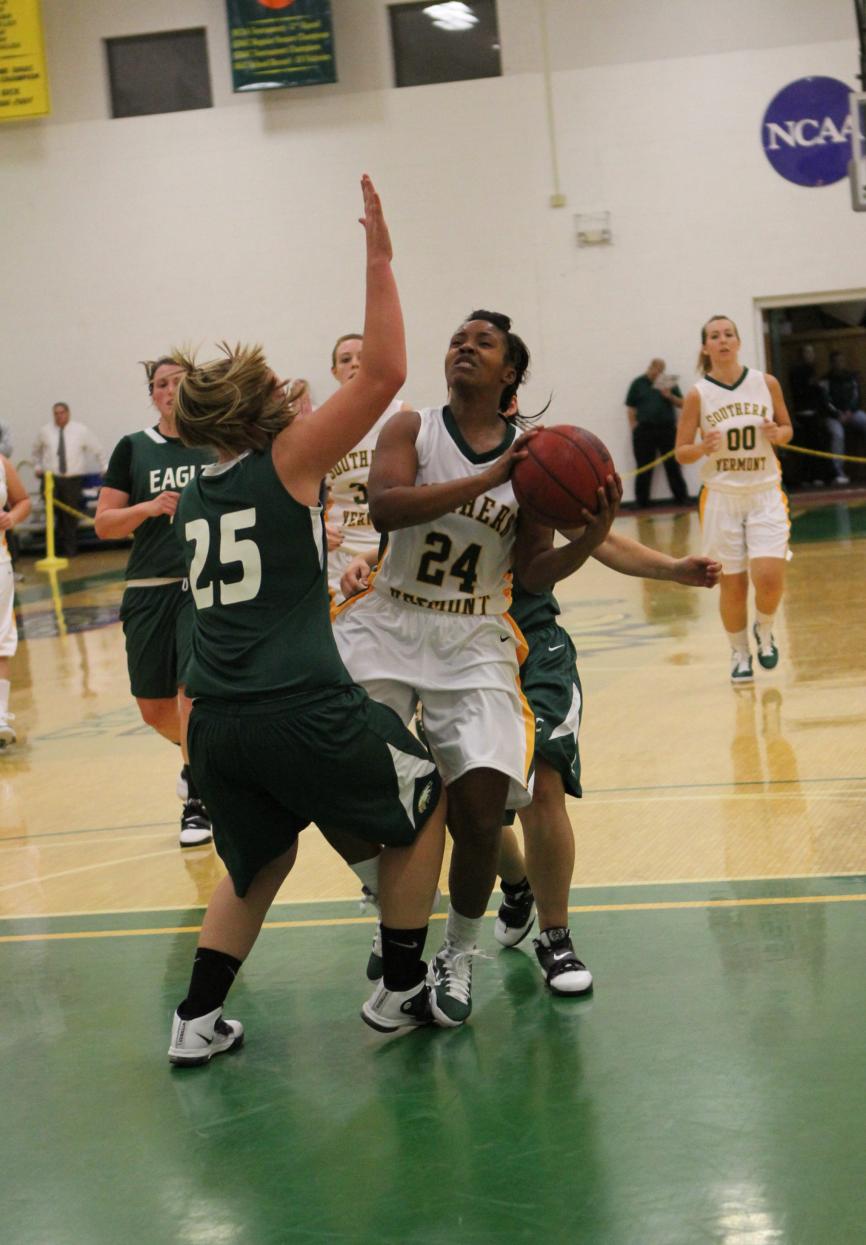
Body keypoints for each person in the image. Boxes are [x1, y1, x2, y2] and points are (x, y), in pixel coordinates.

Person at [164, 175, 449, 1064]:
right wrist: (378, 254)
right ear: (260, 416)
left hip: (214, 724)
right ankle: (402, 983)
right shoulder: (285, 462)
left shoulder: (189, 500)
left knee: (255, 864)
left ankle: (195, 1021)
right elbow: (388, 370)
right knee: (427, 796)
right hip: (299, 707)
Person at [331, 310, 619, 1025]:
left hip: (475, 632)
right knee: (344, 771)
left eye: (482, 342)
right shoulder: (411, 428)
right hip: (391, 618)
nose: (463, 345)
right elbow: (389, 508)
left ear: (509, 372)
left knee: (483, 804)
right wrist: (491, 476)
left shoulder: (536, 455)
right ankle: (388, 895)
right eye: (457, 337)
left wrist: (594, 536)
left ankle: (456, 950)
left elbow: (535, 572)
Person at [493, 532, 721, 994]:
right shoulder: (428, 467)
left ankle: (555, 937)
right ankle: (518, 885)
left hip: (534, 646)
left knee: (542, 785)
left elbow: (600, 538)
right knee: (473, 806)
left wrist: (673, 568)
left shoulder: (529, 462)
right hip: (455, 649)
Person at [95, 360, 216, 848]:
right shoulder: (134, 447)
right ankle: (200, 763)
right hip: (148, 587)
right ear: (153, 394)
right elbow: (104, 524)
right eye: (162, 384)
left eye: (180, 382)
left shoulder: (216, 441)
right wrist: (148, 507)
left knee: (192, 693)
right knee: (153, 707)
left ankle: (199, 802)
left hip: (201, 584)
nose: (171, 390)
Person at [675, 314, 792, 685]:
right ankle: (739, 652)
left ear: (738, 342)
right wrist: (701, 447)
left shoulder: (765, 383)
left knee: (769, 577)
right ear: (705, 347)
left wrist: (778, 433)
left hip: (764, 492)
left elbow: (787, 430)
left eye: (728, 334)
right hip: (722, 497)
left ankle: (765, 629)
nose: (722, 340)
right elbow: (681, 452)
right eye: (714, 335)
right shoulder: (698, 393)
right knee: (734, 584)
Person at [324, 333, 412, 602]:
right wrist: (311, 525)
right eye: (346, 359)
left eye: (363, 358)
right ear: (335, 371)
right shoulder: (323, 422)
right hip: (341, 553)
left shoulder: (402, 414)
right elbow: (301, 491)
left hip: (391, 548)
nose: (354, 364)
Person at [32, 403, 106, 556]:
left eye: (62, 413)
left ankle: (70, 551)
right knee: (54, 514)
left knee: (70, 516)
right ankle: (55, 551)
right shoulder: (45, 431)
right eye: (56, 413)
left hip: (72, 479)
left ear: (68, 413)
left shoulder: (80, 430)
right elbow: (35, 451)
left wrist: (104, 467)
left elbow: (97, 448)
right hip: (51, 479)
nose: (59, 416)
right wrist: (37, 467)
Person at [625, 359, 689, 508]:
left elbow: (683, 403)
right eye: (657, 369)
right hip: (644, 431)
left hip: (667, 430)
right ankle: (641, 502)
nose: (659, 373)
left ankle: (681, 498)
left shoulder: (668, 383)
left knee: (673, 465)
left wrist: (669, 396)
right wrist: (634, 427)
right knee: (643, 466)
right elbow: (630, 408)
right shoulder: (638, 383)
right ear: (650, 367)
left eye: (662, 370)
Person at [0, 455, 32, 746]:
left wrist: (12, 517)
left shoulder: (2, 463)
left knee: (1, 643)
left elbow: (23, 501)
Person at [822, 350, 866, 483]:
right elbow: (825, 401)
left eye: (841, 361)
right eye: (836, 361)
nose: (839, 364)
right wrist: (838, 414)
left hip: (851, 412)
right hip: (833, 416)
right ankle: (839, 472)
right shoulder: (826, 380)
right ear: (832, 363)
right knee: (838, 434)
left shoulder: (850, 377)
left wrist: (849, 411)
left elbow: (856, 396)